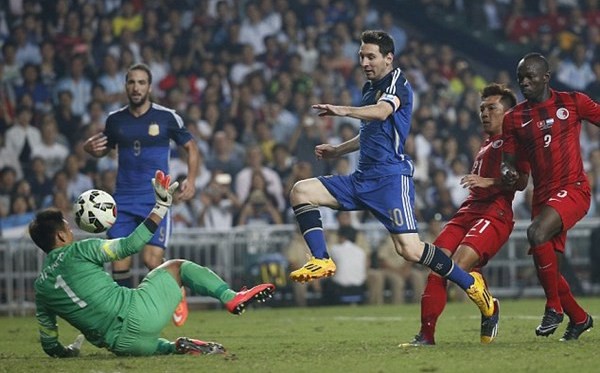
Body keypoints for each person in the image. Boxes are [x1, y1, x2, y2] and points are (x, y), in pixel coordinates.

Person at [287, 30, 495, 323]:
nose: (364, 62)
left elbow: (382, 113)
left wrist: (342, 110)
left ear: (388, 57)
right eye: (361, 56)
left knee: (409, 249)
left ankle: (473, 285)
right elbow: (369, 132)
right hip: (361, 179)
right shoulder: (369, 87)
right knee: (301, 191)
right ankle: (321, 259)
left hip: (389, 180)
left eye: (371, 56)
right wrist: (337, 151)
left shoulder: (398, 83)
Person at [32, 170, 275, 357]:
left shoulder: (41, 289)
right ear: (61, 236)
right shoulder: (80, 249)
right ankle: (231, 297)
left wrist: (68, 352)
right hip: (137, 313)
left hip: (121, 344)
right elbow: (129, 246)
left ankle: (175, 347)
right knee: (178, 267)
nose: (70, 228)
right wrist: (160, 207)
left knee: (154, 346)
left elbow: (49, 343)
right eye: (66, 226)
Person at [402, 83, 529, 347]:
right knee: (436, 266)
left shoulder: (514, 142)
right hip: (469, 210)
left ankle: (490, 308)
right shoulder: (486, 142)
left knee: (457, 267)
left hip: (495, 213)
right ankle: (426, 336)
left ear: (508, 112)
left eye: (492, 108)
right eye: (482, 108)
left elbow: (521, 181)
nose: (484, 113)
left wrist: (489, 182)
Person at [83, 63, 200, 327]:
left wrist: (190, 180)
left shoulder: (168, 117)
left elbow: (191, 148)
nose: (136, 88)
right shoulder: (115, 120)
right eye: (131, 82)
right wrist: (90, 150)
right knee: (119, 262)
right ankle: (124, 317)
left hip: (154, 200)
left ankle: (178, 292)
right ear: (125, 86)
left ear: (149, 86)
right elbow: (105, 149)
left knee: (151, 260)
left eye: (141, 83)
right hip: (122, 200)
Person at [501, 52, 598, 341]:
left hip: (574, 188)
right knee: (550, 270)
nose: (524, 82)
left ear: (546, 76)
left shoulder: (573, 102)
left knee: (536, 232)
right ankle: (580, 319)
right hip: (542, 197)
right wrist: (508, 172)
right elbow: (511, 163)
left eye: (530, 76)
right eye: (521, 78)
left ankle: (553, 308)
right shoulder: (514, 118)